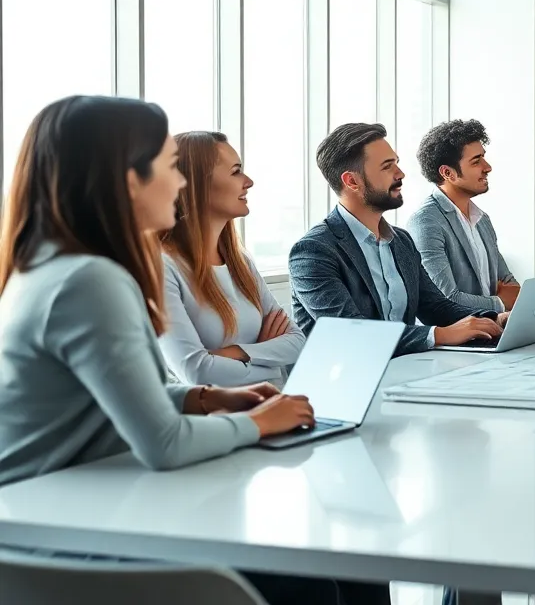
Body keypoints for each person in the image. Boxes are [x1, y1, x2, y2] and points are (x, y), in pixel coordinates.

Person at [0, 97, 386, 604]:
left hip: (70, 508)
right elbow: (164, 444)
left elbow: (115, 393)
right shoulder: (91, 281)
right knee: (313, 577)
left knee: (339, 565)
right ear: (127, 179)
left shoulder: (51, 269)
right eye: (166, 166)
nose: (180, 183)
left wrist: (206, 398)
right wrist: (261, 422)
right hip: (57, 535)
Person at [289, 122, 505, 355]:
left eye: (397, 164)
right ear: (352, 182)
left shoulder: (400, 241)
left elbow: (433, 306)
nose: (400, 174)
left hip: (403, 370)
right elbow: (350, 332)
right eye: (387, 167)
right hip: (344, 383)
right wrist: (439, 335)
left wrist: (494, 319)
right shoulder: (313, 251)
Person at [160, 131, 305, 387]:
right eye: (236, 171)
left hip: (274, 409)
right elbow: (195, 373)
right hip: (217, 421)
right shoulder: (163, 267)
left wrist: (239, 353)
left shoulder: (241, 262)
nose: (248, 181)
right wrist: (269, 363)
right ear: (196, 183)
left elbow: (296, 341)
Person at [407, 119, 519, 314]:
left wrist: (508, 298)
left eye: (484, 157)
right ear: (447, 173)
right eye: (476, 161)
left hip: (493, 332)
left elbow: (511, 285)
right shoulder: (426, 222)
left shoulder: (482, 219)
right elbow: (447, 298)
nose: (487, 167)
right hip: (457, 339)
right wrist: (499, 303)